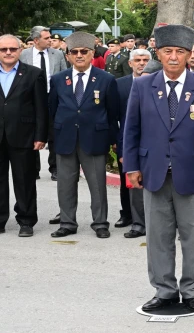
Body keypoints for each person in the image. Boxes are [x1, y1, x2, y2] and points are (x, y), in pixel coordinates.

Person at [123, 25, 194, 314]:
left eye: (180, 52)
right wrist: (131, 166)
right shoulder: (143, 85)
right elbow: (131, 130)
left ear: (189, 55)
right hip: (153, 170)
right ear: (159, 53)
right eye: (167, 51)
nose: (173, 57)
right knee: (158, 236)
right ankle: (164, 291)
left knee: (193, 236)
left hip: (192, 171)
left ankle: (192, 291)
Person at [49, 32, 119, 239]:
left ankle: (100, 223)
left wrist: (114, 141)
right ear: (68, 56)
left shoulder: (106, 79)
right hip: (65, 138)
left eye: (84, 51)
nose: (79, 55)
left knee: (97, 185)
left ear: (92, 53)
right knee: (65, 185)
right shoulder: (58, 80)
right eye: (74, 52)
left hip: (94, 138)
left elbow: (113, 112)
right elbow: (52, 109)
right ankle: (67, 223)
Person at [0, 35, 47, 237]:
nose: (8, 53)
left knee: (25, 180)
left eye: (12, 49)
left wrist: (40, 136)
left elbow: (41, 108)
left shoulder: (34, 74)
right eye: (3, 49)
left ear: (20, 50)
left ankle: (26, 220)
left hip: (24, 135)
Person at [20, 27, 66, 183]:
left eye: (50, 38)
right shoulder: (24, 54)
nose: (50, 40)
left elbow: (64, 75)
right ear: (36, 40)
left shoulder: (58, 54)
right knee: (31, 132)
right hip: (30, 99)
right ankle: (33, 169)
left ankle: (55, 168)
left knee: (54, 132)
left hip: (52, 97)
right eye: (46, 38)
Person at [114, 49, 152, 238]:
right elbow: (118, 119)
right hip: (129, 141)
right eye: (137, 60)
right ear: (130, 63)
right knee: (130, 183)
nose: (142, 63)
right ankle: (133, 220)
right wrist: (120, 147)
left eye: (146, 60)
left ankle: (158, 222)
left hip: (156, 142)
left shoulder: (159, 83)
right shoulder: (120, 85)